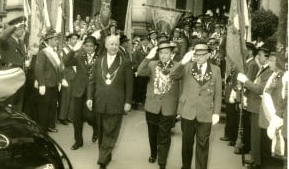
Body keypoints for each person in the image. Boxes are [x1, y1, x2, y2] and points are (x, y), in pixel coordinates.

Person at [170, 41, 222, 169]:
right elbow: (172, 75)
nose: (198, 57)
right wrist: (182, 62)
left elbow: (218, 93)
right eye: (196, 55)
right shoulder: (187, 67)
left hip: (206, 112)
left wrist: (216, 112)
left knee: (203, 144)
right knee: (187, 143)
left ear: (208, 55)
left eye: (202, 55)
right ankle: (185, 166)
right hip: (188, 111)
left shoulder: (215, 70)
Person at [86, 35, 133, 169]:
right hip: (99, 101)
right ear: (106, 46)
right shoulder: (99, 61)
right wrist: (89, 98)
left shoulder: (125, 62)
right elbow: (92, 82)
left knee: (111, 131)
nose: (114, 47)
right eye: (111, 44)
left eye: (116, 44)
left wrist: (128, 102)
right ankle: (106, 153)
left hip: (116, 103)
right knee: (101, 131)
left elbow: (129, 84)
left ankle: (102, 160)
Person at [137, 41, 180, 169]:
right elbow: (139, 71)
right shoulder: (152, 64)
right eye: (161, 53)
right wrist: (148, 56)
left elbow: (181, 86)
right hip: (152, 105)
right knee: (152, 132)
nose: (163, 55)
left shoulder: (178, 66)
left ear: (172, 54)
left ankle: (162, 161)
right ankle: (153, 153)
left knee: (164, 134)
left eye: (166, 53)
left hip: (169, 107)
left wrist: (179, 107)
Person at [236, 44, 273, 169]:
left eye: (260, 55)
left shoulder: (268, 71)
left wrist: (245, 80)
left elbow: (259, 89)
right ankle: (254, 158)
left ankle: (257, 161)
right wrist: (246, 94)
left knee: (257, 137)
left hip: (259, 108)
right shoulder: (262, 68)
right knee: (254, 136)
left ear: (267, 57)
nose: (258, 57)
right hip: (254, 105)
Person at [64, 36, 99, 150]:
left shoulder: (100, 58)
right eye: (87, 46)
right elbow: (66, 61)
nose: (89, 48)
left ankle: (96, 129)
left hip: (93, 92)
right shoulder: (79, 56)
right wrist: (74, 49)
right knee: (77, 118)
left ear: (95, 47)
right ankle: (78, 141)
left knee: (91, 116)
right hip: (79, 91)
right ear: (83, 46)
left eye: (91, 46)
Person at [35, 29, 63, 133]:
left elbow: (59, 68)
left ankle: (50, 125)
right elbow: (38, 69)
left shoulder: (55, 52)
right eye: (55, 40)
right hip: (46, 84)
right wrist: (41, 84)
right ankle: (43, 128)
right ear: (49, 40)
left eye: (57, 40)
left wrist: (59, 81)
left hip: (54, 83)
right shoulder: (43, 53)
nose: (57, 42)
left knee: (52, 106)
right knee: (44, 107)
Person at [0, 18, 28, 112]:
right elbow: (2, 37)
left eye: (23, 28)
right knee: (9, 103)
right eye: (19, 27)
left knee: (18, 102)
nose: (22, 30)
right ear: (13, 29)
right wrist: (14, 26)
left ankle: (16, 123)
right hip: (10, 73)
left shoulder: (21, 42)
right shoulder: (7, 41)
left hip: (20, 74)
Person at [58, 32, 80, 125]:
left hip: (75, 74)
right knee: (65, 97)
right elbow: (64, 63)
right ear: (68, 40)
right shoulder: (64, 50)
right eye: (73, 39)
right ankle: (62, 117)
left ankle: (70, 116)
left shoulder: (77, 50)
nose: (75, 41)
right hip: (67, 74)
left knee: (72, 97)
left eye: (76, 39)